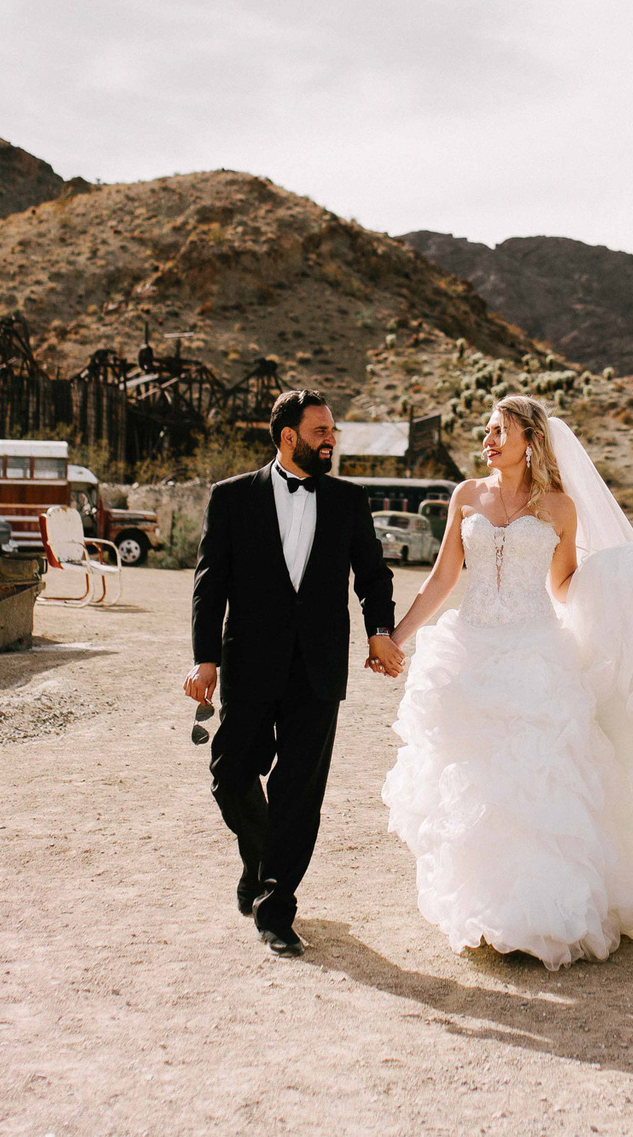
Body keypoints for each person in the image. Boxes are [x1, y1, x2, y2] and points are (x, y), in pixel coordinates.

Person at [381, 394, 633, 967]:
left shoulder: (559, 508)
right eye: (486, 430)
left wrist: (619, 585)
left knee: (535, 789)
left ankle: (537, 916)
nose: (488, 440)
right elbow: (441, 579)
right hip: (472, 653)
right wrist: (395, 637)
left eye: (499, 430)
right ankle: (489, 910)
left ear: (529, 439)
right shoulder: (466, 496)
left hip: (535, 655)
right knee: (478, 788)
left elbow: (563, 588)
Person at [186, 388, 404, 956]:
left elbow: (372, 575)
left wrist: (380, 630)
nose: (330, 440)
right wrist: (204, 659)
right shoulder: (231, 498)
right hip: (248, 664)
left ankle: (277, 909)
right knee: (231, 772)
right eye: (320, 432)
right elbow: (210, 585)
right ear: (289, 437)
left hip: (318, 668)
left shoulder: (349, 500)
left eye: (333, 432)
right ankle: (259, 863)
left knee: (298, 792)